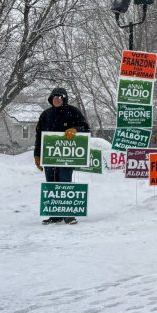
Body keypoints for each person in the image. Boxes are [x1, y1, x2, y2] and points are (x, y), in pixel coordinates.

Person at [33, 87, 90, 224]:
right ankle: (55, 215)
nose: (56, 100)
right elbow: (39, 135)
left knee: (65, 182)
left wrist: (75, 130)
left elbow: (85, 128)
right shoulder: (46, 114)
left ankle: (68, 214)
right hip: (49, 155)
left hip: (66, 155)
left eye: (59, 98)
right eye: (54, 98)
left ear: (64, 99)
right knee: (51, 183)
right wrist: (37, 155)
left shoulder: (73, 112)